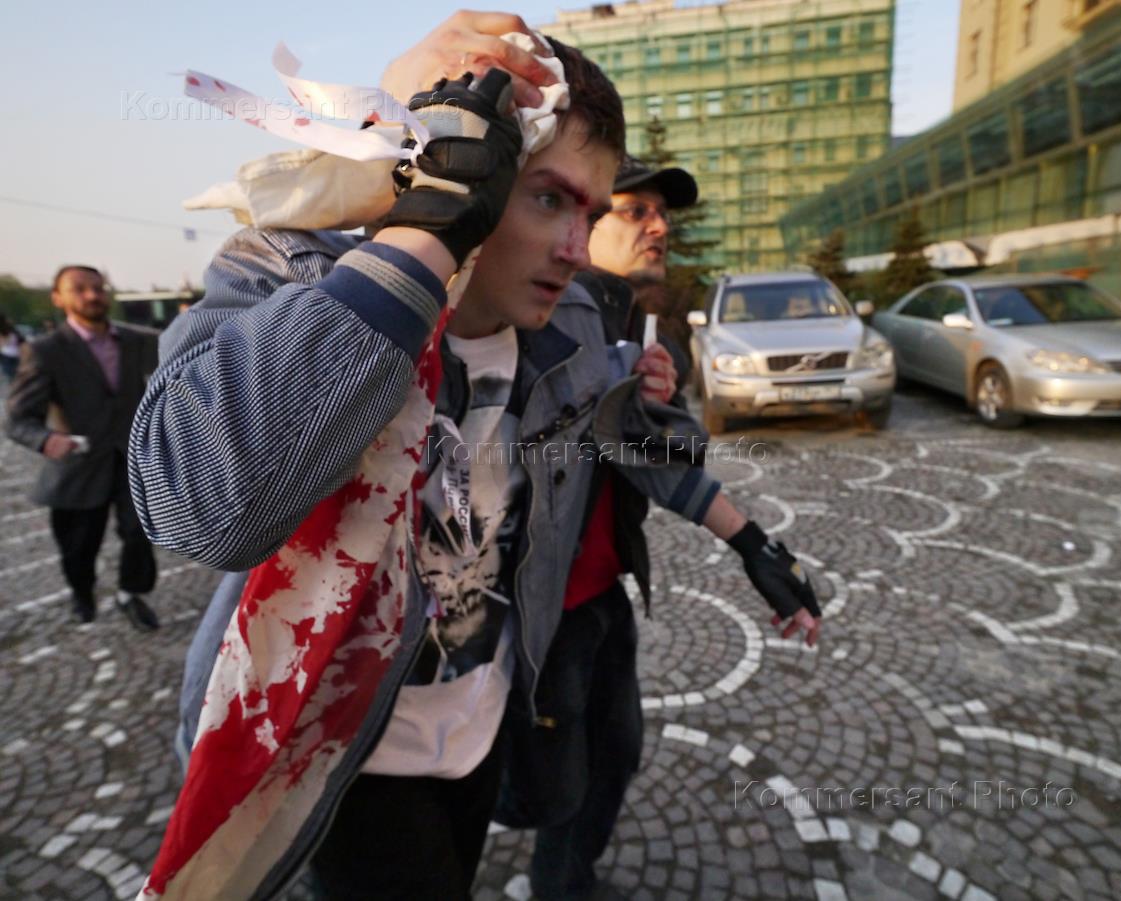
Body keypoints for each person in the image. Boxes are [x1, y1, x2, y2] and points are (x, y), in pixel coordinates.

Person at [127, 21, 720, 901]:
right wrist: (426, 221)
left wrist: (666, 419)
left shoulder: (569, 320)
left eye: (592, 214)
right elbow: (198, 502)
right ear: (459, 165)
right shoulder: (285, 265)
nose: (575, 245)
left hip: (483, 719)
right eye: (548, 199)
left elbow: (630, 440)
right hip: (344, 743)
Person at [496, 158, 822, 899]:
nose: (659, 227)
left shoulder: (640, 327)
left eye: (662, 213)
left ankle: (565, 884)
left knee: (615, 755)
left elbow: (656, 457)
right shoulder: (530, 320)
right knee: (541, 786)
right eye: (634, 211)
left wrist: (755, 543)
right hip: (536, 614)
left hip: (601, 595)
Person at [5, 266, 159, 629]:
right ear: (58, 298)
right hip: (78, 466)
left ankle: (130, 593)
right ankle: (82, 592)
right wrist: (46, 440)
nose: (92, 295)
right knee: (78, 546)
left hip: (130, 460)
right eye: (79, 289)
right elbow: (17, 419)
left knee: (140, 534)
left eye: (98, 287)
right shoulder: (45, 350)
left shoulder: (136, 340)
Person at [0, 314, 24, 381]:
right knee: (11, 376)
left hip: (15, 355)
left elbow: (21, 343)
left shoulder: (13, 330)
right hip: (7, 356)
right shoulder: (7, 331)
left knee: (17, 375)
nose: (10, 320)